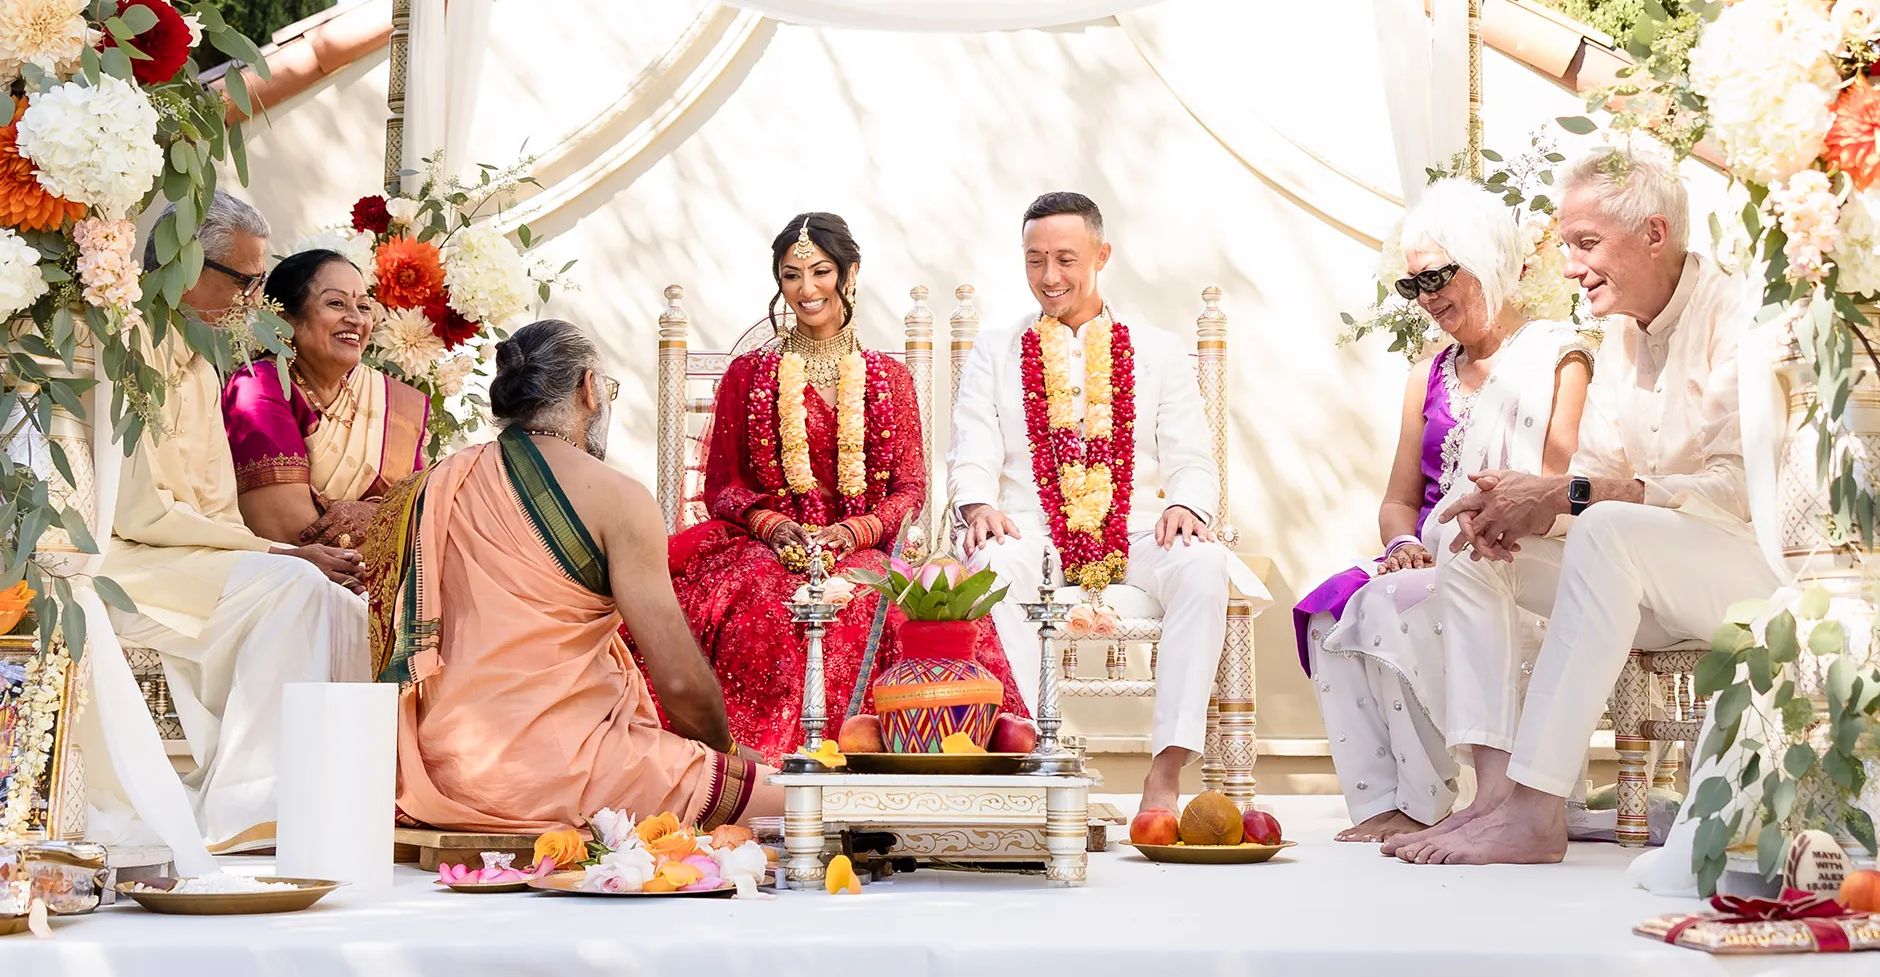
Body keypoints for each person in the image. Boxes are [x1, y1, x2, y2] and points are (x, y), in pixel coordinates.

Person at [1392, 144, 1776, 865]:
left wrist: (1568, 496)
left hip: (1748, 574)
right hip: (1638, 579)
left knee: (1607, 530)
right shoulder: (1622, 336)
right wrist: (1520, 507)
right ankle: (1495, 796)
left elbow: (1735, 491)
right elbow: (1596, 472)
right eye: (1567, 245)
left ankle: (1538, 814)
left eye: (1585, 244)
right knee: (1467, 543)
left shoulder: (1741, 316)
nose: (1568, 266)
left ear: (1655, 235)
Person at [385, 319, 782, 831]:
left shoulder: (440, 482)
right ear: (590, 389)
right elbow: (681, 683)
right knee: (806, 805)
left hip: (442, 770)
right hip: (562, 771)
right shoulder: (616, 497)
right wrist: (727, 751)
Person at [947, 191, 1271, 816]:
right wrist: (975, 507)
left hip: (1138, 526)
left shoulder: (1157, 349)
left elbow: (1192, 459)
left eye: (1066, 259)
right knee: (987, 573)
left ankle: (1166, 771)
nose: (1049, 277)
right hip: (1030, 529)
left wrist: (1189, 506)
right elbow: (972, 448)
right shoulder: (993, 349)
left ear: (1102, 255)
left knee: (1204, 565)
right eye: (1034, 259)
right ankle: (1044, 757)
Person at [665, 214, 1025, 763]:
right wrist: (773, 524)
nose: (806, 289)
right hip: (765, 548)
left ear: (850, 274)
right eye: (791, 275)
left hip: (861, 551)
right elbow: (722, 488)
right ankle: (761, 773)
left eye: (821, 271)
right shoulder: (749, 374)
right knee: (766, 607)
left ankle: (879, 770)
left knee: (883, 606)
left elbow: (909, 489)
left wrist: (849, 533)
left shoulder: (889, 377)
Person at [1294, 180, 1590, 843]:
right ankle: (1386, 803)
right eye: (1414, 285)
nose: (1427, 298)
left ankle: (1437, 803)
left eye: (1436, 277)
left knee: (1384, 608)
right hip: (1429, 556)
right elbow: (1399, 500)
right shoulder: (1426, 375)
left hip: (1516, 554)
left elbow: (1554, 482)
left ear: (1483, 258)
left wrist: (1478, 527)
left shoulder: (1557, 357)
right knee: (1326, 608)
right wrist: (1401, 543)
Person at [102, 193, 368, 853]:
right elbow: (142, 510)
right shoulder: (124, 342)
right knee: (299, 588)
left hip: (187, 557)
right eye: (245, 281)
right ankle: (251, 806)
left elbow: (215, 509)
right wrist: (279, 554)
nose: (255, 299)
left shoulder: (196, 360)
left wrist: (274, 552)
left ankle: (331, 799)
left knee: (345, 604)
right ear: (188, 262)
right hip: (124, 562)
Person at [221, 249, 430, 550]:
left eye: (364, 306)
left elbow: (423, 518)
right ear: (284, 318)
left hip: (381, 583)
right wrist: (389, 524)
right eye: (336, 303)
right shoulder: (259, 386)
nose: (357, 319)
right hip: (299, 582)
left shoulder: (385, 400)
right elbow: (294, 534)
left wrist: (372, 516)